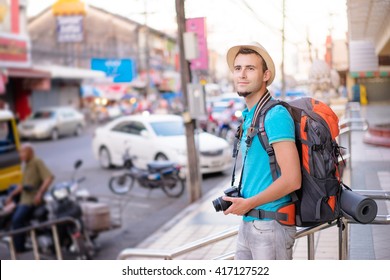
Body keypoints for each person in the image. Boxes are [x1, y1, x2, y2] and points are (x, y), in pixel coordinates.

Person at [223, 42, 301, 260]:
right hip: (249, 222)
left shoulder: (275, 115)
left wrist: (249, 203)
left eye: (250, 68)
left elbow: (292, 179)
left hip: (271, 225)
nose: (242, 74)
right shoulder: (250, 115)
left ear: (266, 75)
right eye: (238, 68)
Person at [5, 143, 54, 253]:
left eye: (23, 152)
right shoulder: (26, 165)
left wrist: (39, 193)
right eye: (20, 153)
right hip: (24, 198)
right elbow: (22, 185)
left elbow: (49, 177)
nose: (20, 155)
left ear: (30, 152)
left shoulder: (37, 161)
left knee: (16, 220)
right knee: (10, 193)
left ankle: (19, 248)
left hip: (31, 200)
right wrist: (11, 196)